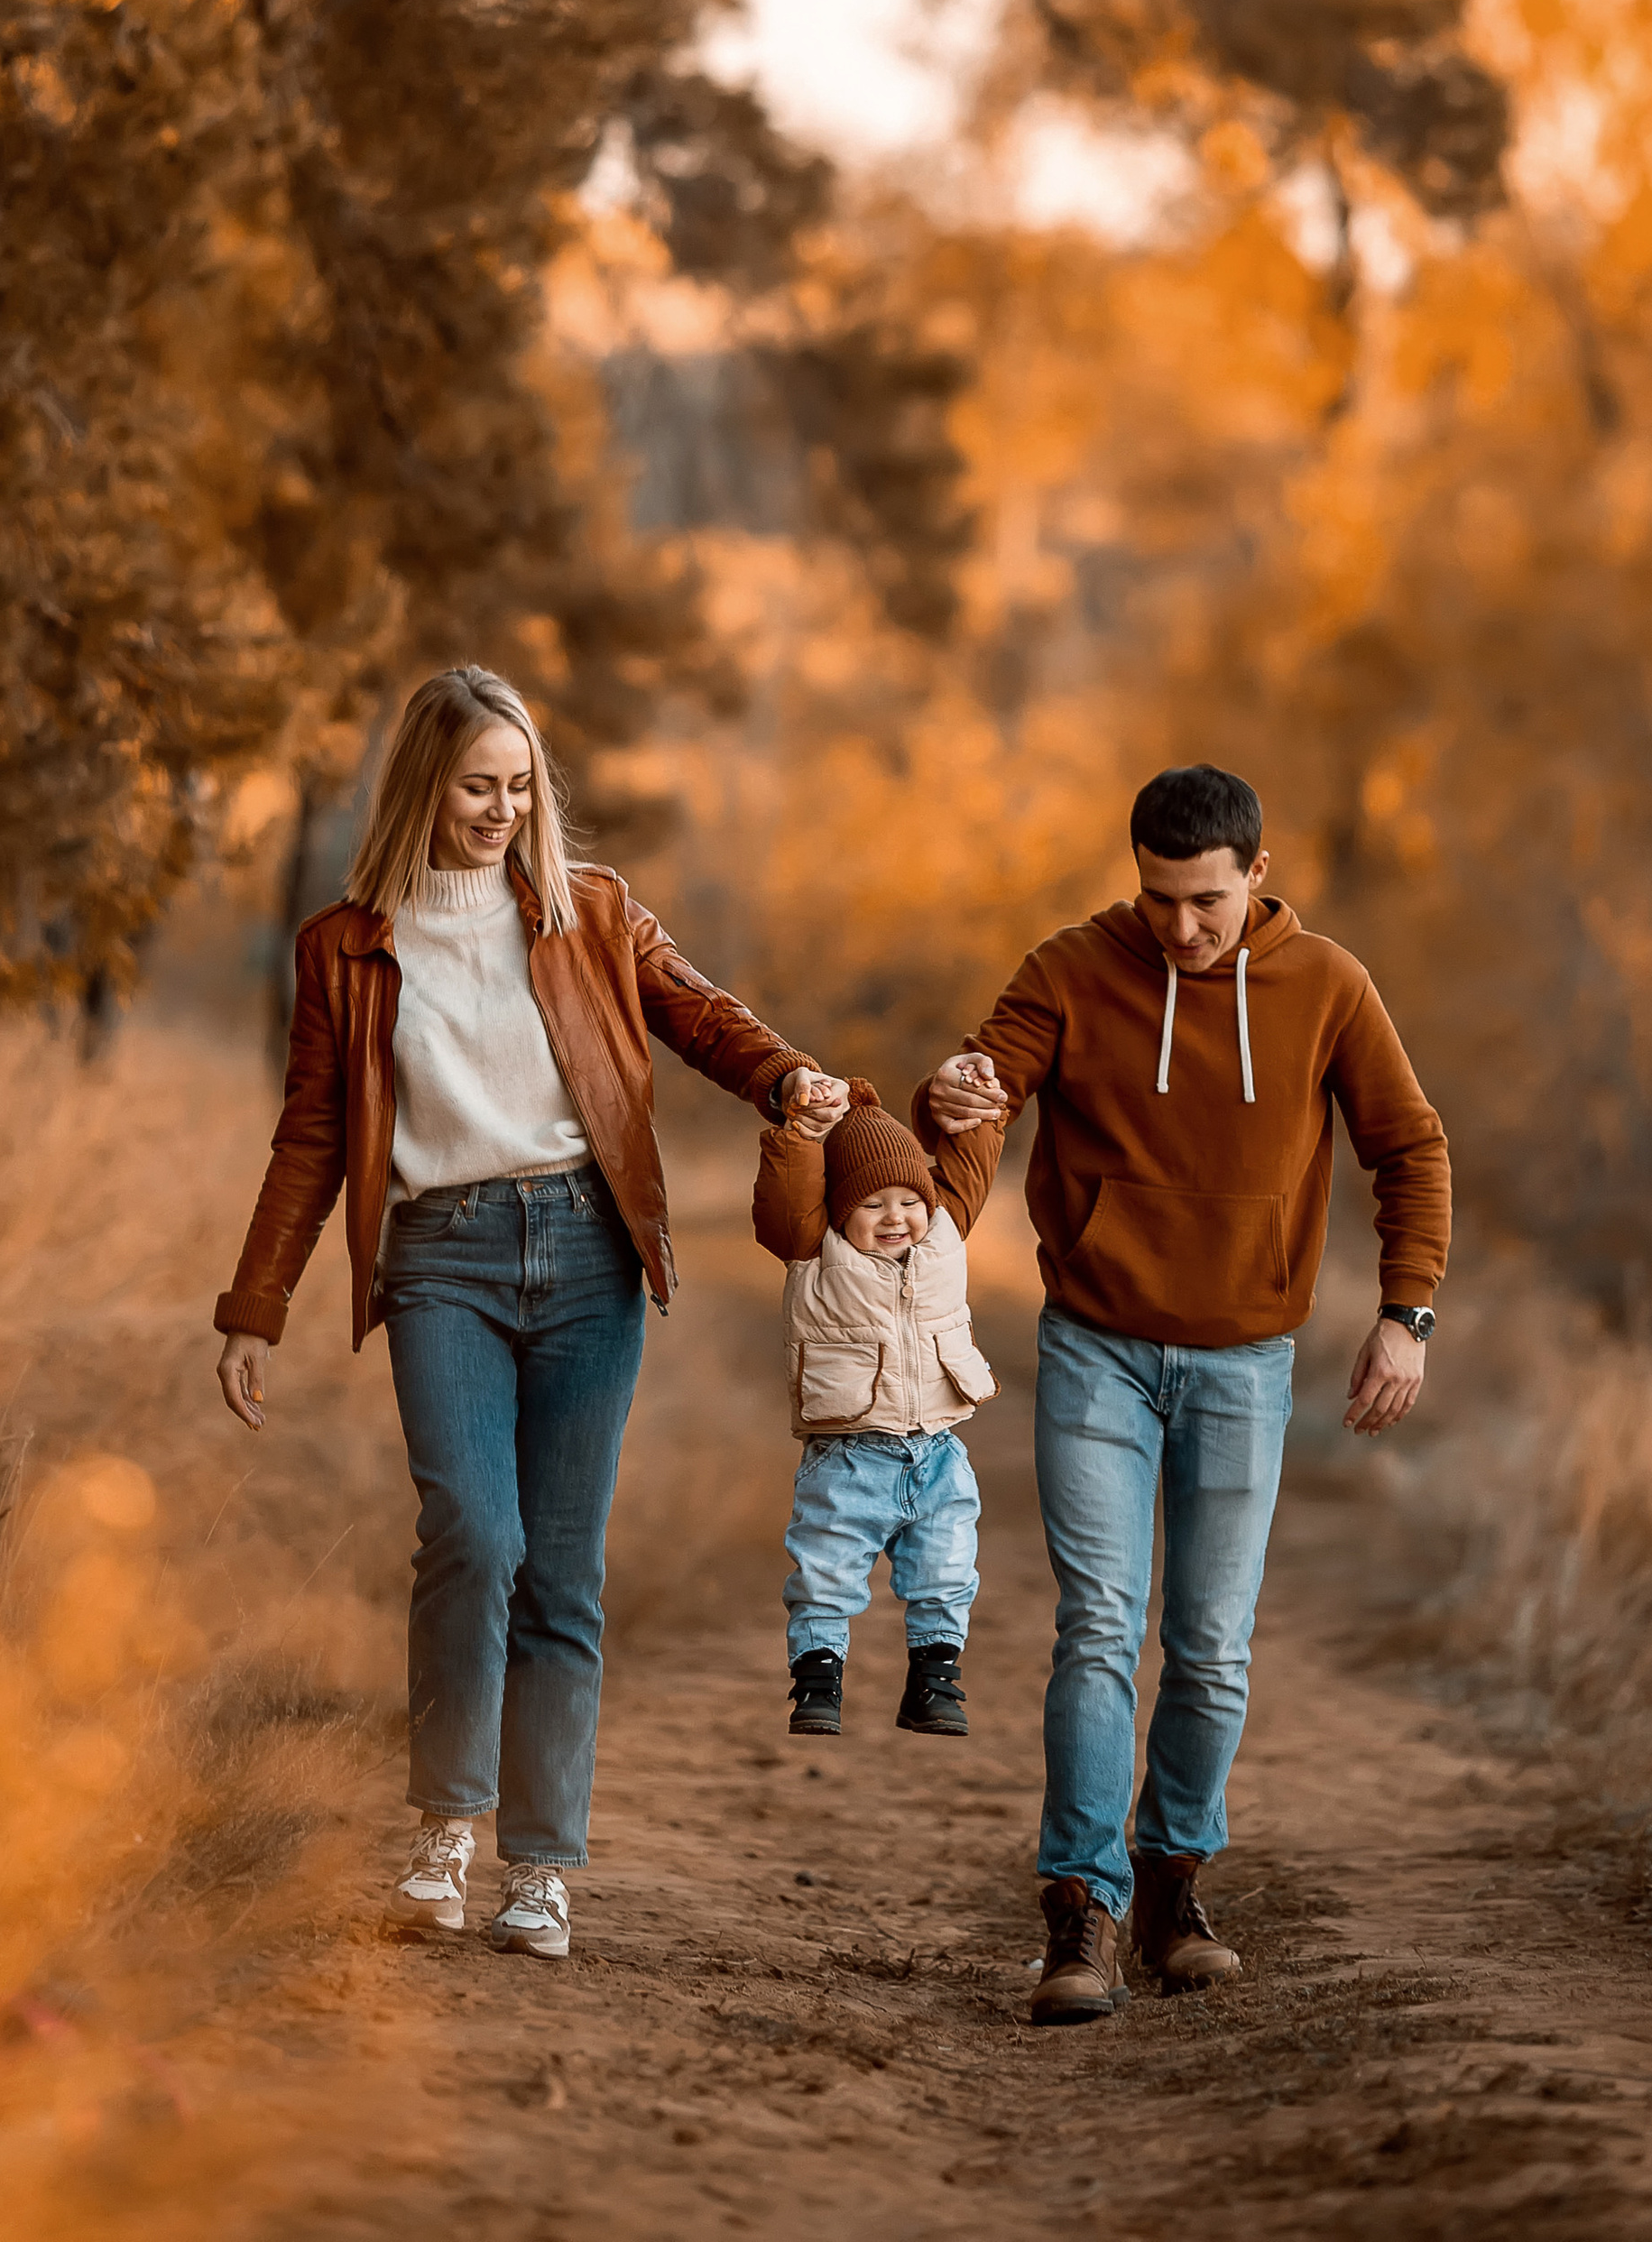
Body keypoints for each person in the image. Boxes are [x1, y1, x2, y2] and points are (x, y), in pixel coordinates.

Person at [212, 661, 849, 1960]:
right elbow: (313, 1136)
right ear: (420, 788)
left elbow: (699, 1018)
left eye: (519, 786)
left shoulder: (590, 910)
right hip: (439, 1254)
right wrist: (255, 1303)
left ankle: (540, 1868)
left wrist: (790, 1078)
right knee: (472, 1531)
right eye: (476, 787)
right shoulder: (345, 946)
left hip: (587, 1252)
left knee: (561, 1569)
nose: (502, 809)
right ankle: (445, 1827)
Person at [917, 762, 1450, 2024]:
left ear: (1258, 874)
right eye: (1159, 899)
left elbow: (1410, 1146)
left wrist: (1405, 1315)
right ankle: (1082, 1912)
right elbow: (991, 1087)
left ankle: (1172, 1884)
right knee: (1099, 1624)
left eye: (1207, 900)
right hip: (1097, 1344)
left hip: (1245, 1360)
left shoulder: (1328, 986)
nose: (1182, 929)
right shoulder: (1073, 967)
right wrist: (957, 1104)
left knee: (1210, 1647)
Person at [752, 1084, 1006, 1742]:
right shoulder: (813, 1250)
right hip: (847, 1460)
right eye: (872, 1204)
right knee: (825, 1576)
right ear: (839, 1209)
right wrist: (802, 1133)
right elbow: (785, 1195)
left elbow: (972, 1160)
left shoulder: (947, 1234)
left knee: (947, 1571)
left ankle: (934, 1681)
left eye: (908, 1201)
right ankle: (816, 1682)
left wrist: (972, 1098)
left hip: (939, 1452)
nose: (895, 1217)